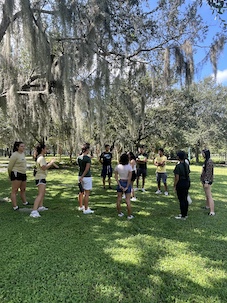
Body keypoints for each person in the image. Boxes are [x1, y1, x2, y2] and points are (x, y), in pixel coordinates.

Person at [30, 144, 58, 218]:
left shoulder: (40, 157)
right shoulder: (41, 158)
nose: (46, 150)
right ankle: (34, 211)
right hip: (40, 178)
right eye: (46, 148)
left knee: (42, 193)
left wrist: (51, 162)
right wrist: (51, 163)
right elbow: (44, 168)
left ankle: (40, 207)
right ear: (42, 149)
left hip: (41, 177)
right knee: (40, 194)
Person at [8, 141, 29, 210]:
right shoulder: (14, 155)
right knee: (15, 190)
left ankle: (25, 202)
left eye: (24, 146)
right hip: (16, 173)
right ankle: (15, 206)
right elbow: (10, 167)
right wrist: (10, 175)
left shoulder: (22, 154)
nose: (23, 148)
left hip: (23, 173)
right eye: (21, 146)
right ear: (17, 147)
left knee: (23, 189)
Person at [114, 153, 134, 219]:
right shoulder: (129, 167)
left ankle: (119, 213)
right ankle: (129, 215)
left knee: (119, 199)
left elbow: (116, 177)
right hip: (126, 183)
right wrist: (127, 186)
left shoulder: (118, 166)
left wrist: (119, 185)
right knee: (128, 200)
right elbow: (129, 178)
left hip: (120, 182)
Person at [77, 143, 94, 214]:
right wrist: (83, 176)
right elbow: (87, 169)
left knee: (81, 192)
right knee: (86, 193)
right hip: (86, 177)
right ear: (87, 149)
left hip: (80, 176)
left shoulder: (79, 157)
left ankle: (81, 206)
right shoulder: (87, 159)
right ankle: (86, 209)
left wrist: (81, 177)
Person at [173, 151, 190, 220]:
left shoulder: (178, 166)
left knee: (181, 200)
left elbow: (177, 177)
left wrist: (174, 185)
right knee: (185, 198)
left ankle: (183, 215)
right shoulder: (186, 164)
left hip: (181, 183)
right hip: (187, 182)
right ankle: (185, 213)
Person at [200, 149, 215, 216]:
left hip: (207, 181)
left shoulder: (209, 162)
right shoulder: (206, 161)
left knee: (209, 196)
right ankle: (207, 206)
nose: (202, 155)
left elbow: (209, 173)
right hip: (204, 180)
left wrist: (206, 182)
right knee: (207, 195)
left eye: (203, 153)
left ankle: (212, 211)